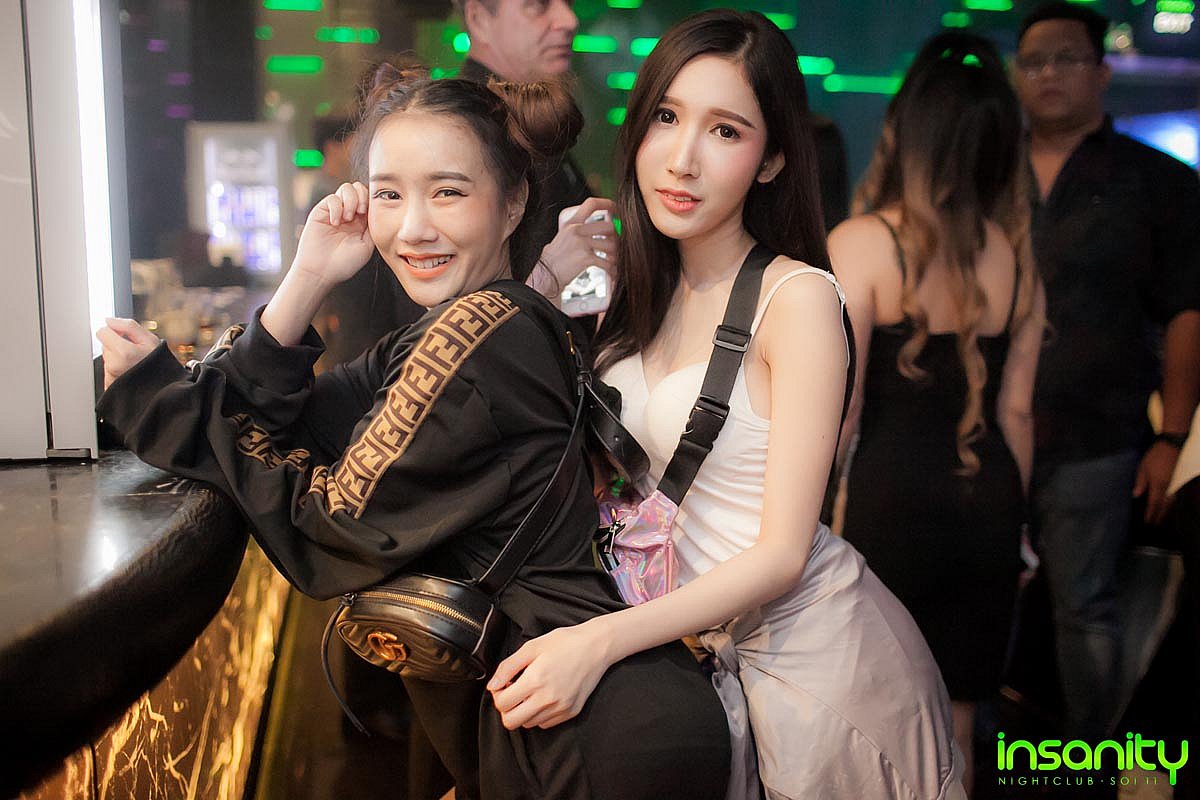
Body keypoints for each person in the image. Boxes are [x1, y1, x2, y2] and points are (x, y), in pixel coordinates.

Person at [95, 68, 731, 800]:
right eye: (389, 195)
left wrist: (154, 399)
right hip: (566, 717)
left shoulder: (479, 336)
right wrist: (309, 276)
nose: (413, 228)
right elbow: (274, 418)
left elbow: (331, 529)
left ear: (513, 202)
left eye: (448, 192)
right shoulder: (461, 330)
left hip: (593, 735)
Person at [488, 11, 966, 799]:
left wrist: (599, 642)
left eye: (725, 131)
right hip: (691, 661)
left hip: (814, 668)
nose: (682, 158)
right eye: (666, 118)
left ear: (772, 158)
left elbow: (781, 555)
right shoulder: (635, 290)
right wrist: (546, 279)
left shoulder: (799, 299)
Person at [829, 32, 1046, 794]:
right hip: (988, 508)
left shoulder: (860, 244)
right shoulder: (1013, 254)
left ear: (904, 132)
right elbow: (1017, 414)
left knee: (873, 720)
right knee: (956, 723)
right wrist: (1019, 529)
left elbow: (842, 411)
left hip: (889, 507)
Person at [1013, 2, 1200, 740]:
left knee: (1085, 604)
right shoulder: (989, 173)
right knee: (980, 593)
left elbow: (1186, 312)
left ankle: (1089, 759)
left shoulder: (1156, 181)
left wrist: (1172, 437)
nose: (1048, 74)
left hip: (1096, 431)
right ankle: (978, 754)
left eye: (1066, 58)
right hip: (985, 430)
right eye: (1033, 61)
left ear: (1102, 71)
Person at [452, 0, 617, 303]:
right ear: (479, 19)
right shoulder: (461, 129)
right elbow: (447, 311)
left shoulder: (524, 116)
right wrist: (546, 280)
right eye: (538, 5)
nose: (568, 20)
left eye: (568, 3)